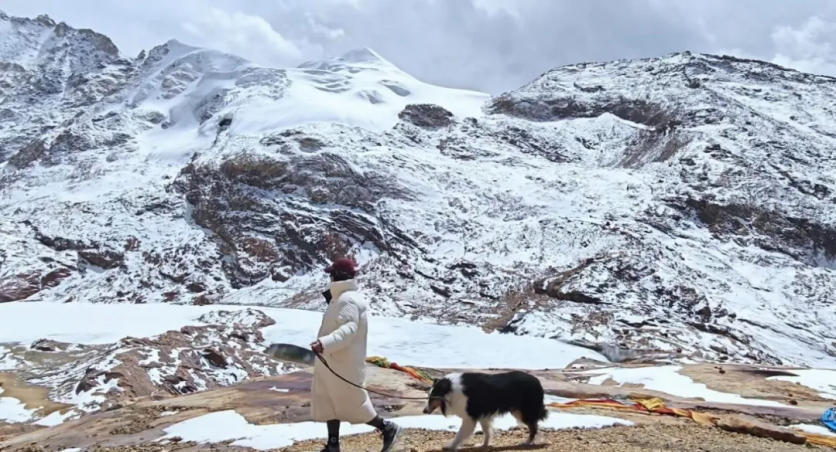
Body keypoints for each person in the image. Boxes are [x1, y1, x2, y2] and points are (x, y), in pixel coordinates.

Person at [310, 258, 403, 452]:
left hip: (343, 364)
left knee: (354, 404)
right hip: (334, 361)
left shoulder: (348, 300)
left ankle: (387, 428)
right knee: (329, 401)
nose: (329, 277)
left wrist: (324, 343)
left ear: (337, 276)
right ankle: (333, 445)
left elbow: (348, 329)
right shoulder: (340, 299)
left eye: (331, 274)